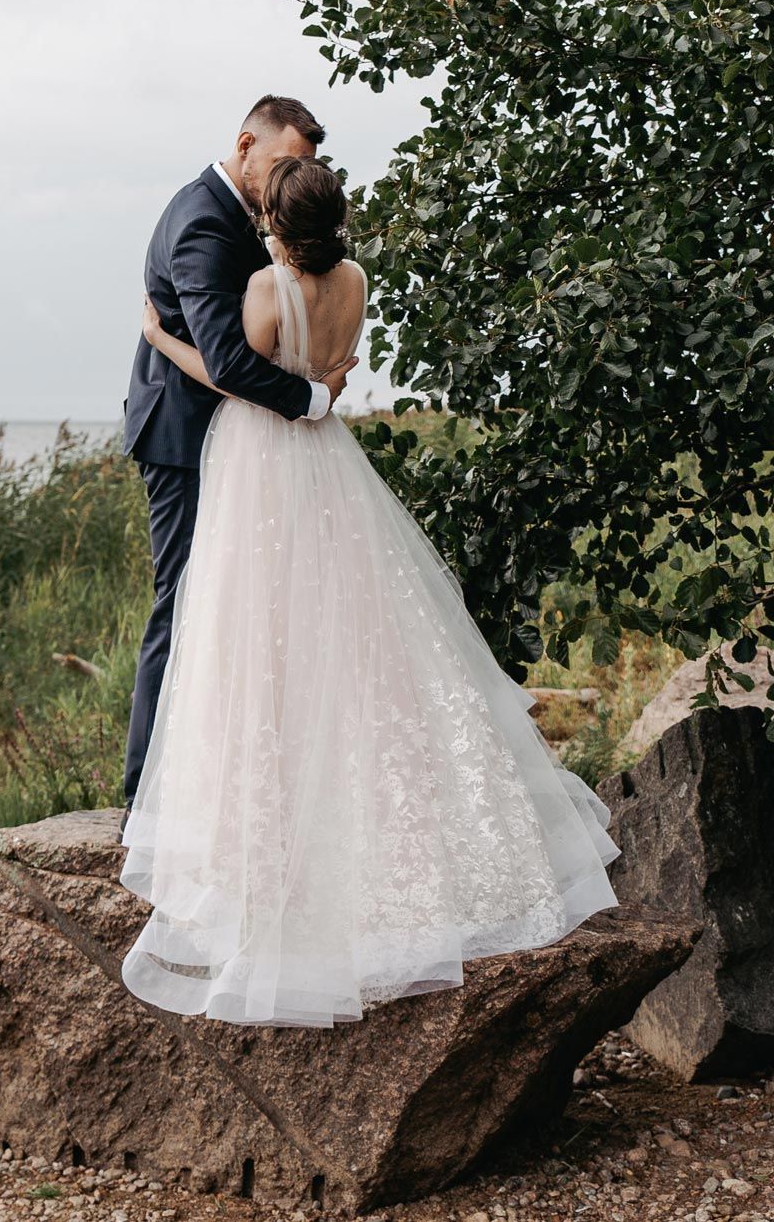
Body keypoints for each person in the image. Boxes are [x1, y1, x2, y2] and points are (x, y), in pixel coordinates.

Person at [118, 152, 621, 1027]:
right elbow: (326, 373)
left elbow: (235, 375)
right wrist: (320, 391)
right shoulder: (354, 281)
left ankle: (263, 814)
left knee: (254, 623)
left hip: (262, 461)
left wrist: (162, 341)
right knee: (344, 621)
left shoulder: (265, 289)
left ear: (273, 223)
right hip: (328, 462)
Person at [119, 95, 358, 814]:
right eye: (285, 162)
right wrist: (315, 398)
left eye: (304, 169)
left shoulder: (261, 222)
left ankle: (239, 780)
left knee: (250, 608)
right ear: (247, 144)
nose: (290, 180)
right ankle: (145, 799)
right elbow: (226, 361)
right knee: (184, 602)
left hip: (251, 447)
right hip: (186, 439)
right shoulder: (202, 220)